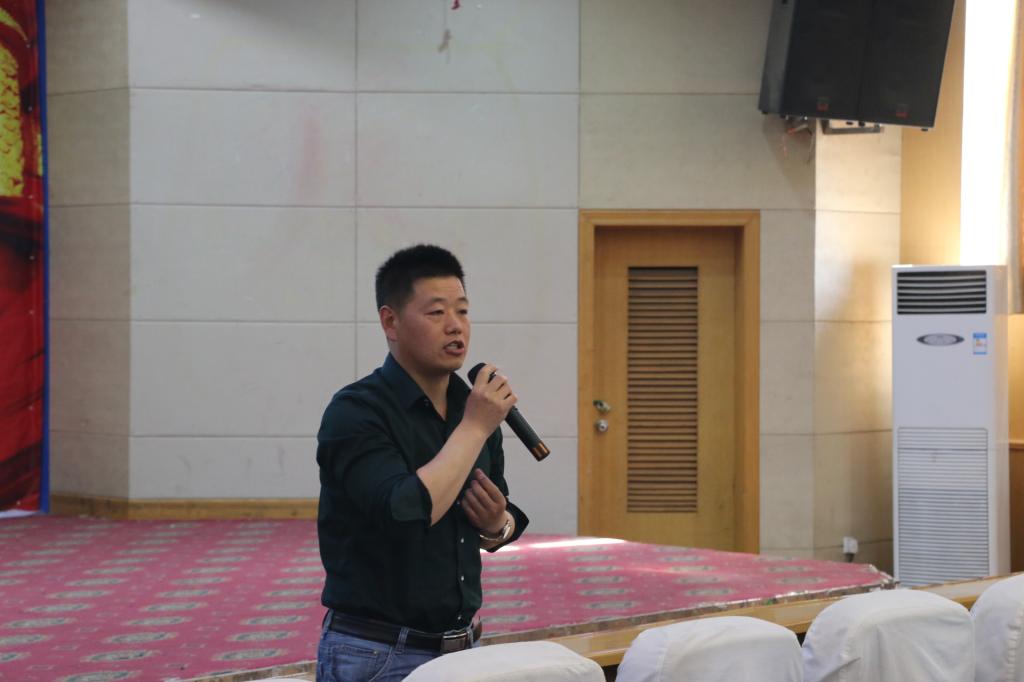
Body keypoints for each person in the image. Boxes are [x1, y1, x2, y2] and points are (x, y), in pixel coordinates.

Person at [315, 244, 529, 681]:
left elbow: (495, 520)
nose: (455, 326)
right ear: (390, 322)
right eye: (436, 313)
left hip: (464, 647)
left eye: (463, 311)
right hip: (377, 653)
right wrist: (474, 427)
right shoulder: (356, 412)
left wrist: (497, 525)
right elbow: (404, 511)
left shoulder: (471, 408)